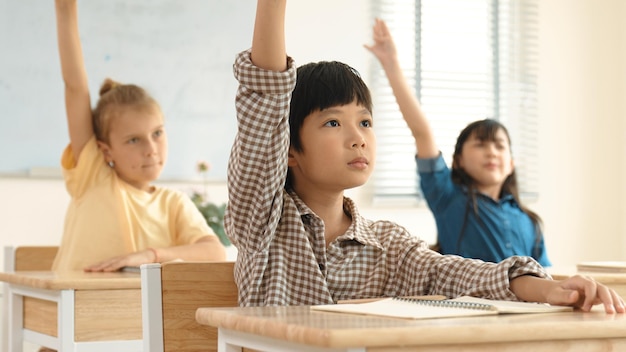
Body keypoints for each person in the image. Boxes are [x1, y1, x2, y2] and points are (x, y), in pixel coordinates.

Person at [225, 0, 624, 314]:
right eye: (333, 123)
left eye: (365, 123)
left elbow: (455, 274)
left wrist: (552, 289)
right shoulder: (262, 219)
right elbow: (265, 101)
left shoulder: (389, 245)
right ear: (290, 150)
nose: (357, 138)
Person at [51, 0, 226, 272]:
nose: (151, 149)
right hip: (77, 308)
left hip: (133, 313)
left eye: (157, 133)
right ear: (106, 151)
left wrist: (150, 255)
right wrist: (65, 10)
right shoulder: (92, 175)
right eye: (134, 140)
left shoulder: (173, 203)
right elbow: (75, 88)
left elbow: (215, 251)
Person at [365, 18, 551, 267]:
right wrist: (391, 65)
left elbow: (546, 275)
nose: (492, 153)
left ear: (512, 164)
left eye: (499, 146)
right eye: (480, 144)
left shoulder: (530, 222)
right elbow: (422, 133)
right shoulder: (448, 197)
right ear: (458, 161)